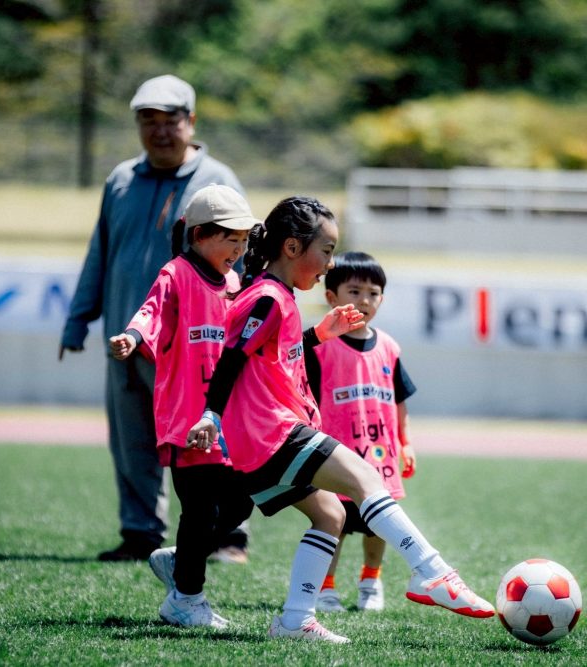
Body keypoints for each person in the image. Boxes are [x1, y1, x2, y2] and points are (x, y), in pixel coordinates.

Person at [187, 197, 494, 644]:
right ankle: (432, 572)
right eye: (326, 251)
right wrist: (211, 413)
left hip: (260, 439)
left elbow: (269, 356)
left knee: (330, 515)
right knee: (367, 477)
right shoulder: (269, 297)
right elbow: (232, 358)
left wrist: (318, 334)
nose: (330, 264)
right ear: (292, 248)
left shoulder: (278, 297)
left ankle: (295, 620)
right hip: (269, 433)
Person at [60, 74, 249, 562]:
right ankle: (141, 532)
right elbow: (101, 252)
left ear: (192, 122)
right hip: (127, 337)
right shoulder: (120, 180)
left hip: (197, 348)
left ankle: (227, 535)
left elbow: (242, 264)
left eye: (171, 121)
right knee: (132, 441)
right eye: (149, 121)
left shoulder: (218, 181)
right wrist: (78, 320)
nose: (160, 132)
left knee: (208, 441)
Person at [109, 184, 258, 628]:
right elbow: (152, 312)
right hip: (187, 419)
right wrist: (133, 337)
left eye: (244, 239)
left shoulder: (234, 282)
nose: (239, 248)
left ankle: (182, 557)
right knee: (201, 509)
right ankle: (186, 601)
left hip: (225, 419)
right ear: (199, 235)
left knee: (239, 505)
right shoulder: (176, 274)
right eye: (230, 238)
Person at [305, 251, 417, 614]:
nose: (364, 300)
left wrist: (406, 441)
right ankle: (325, 587)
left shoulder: (389, 347)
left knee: (377, 525)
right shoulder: (321, 348)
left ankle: (371, 581)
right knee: (332, 521)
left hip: (380, 454)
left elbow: (399, 400)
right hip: (337, 454)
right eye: (354, 291)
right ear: (332, 297)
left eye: (373, 292)